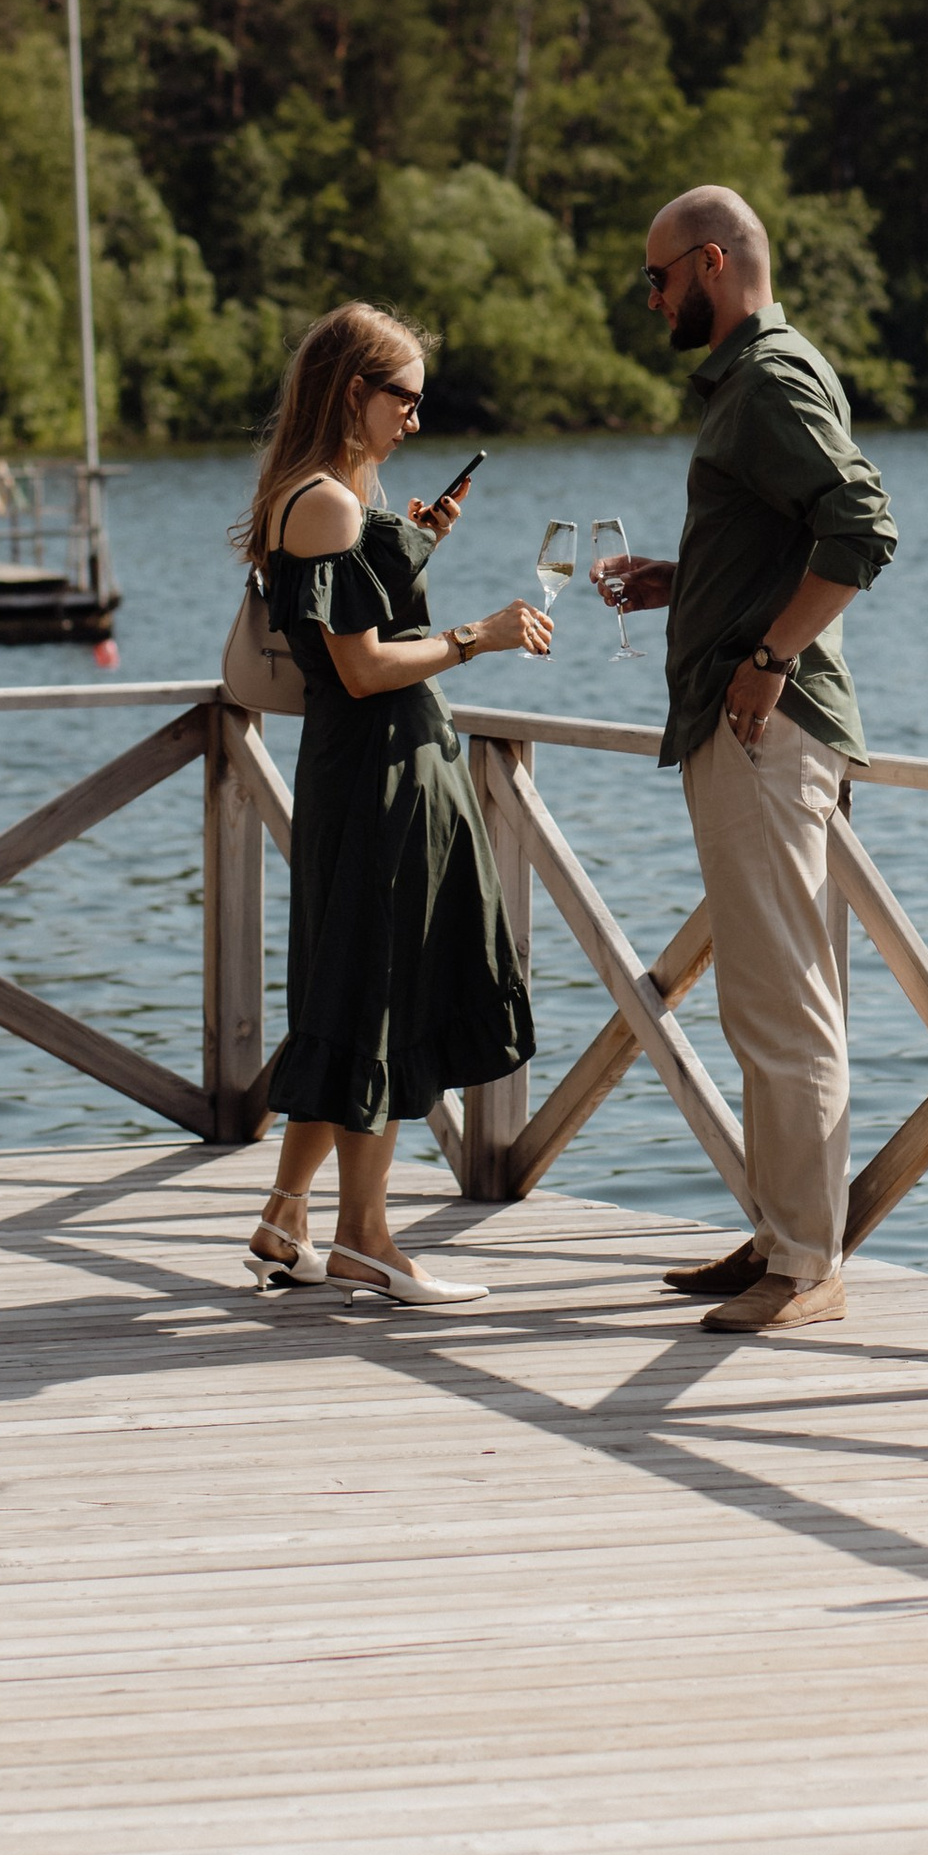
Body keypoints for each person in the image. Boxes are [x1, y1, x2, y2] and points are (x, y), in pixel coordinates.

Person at [598, 185, 898, 1335]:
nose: (653, 296)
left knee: (784, 1002)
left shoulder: (766, 378)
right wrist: (695, 581)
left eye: (659, 277)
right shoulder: (757, 377)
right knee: (766, 996)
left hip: (764, 730)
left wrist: (769, 652)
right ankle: (781, 1233)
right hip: (747, 724)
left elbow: (861, 527)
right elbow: (799, 532)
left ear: (711, 263)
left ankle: (807, 1265)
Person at [241, 302, 552, 1309]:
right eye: (405, 400)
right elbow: (363, 668)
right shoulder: (328, 501)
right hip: (376, 774)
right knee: (374, 995)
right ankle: (366, 1239)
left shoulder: (336, 494)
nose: (415, 422)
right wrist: (480, 636)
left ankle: (287, 1217)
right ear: (353, 392)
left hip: (376, 768)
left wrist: (411, 545)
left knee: (347, 994)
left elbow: (355, 625)